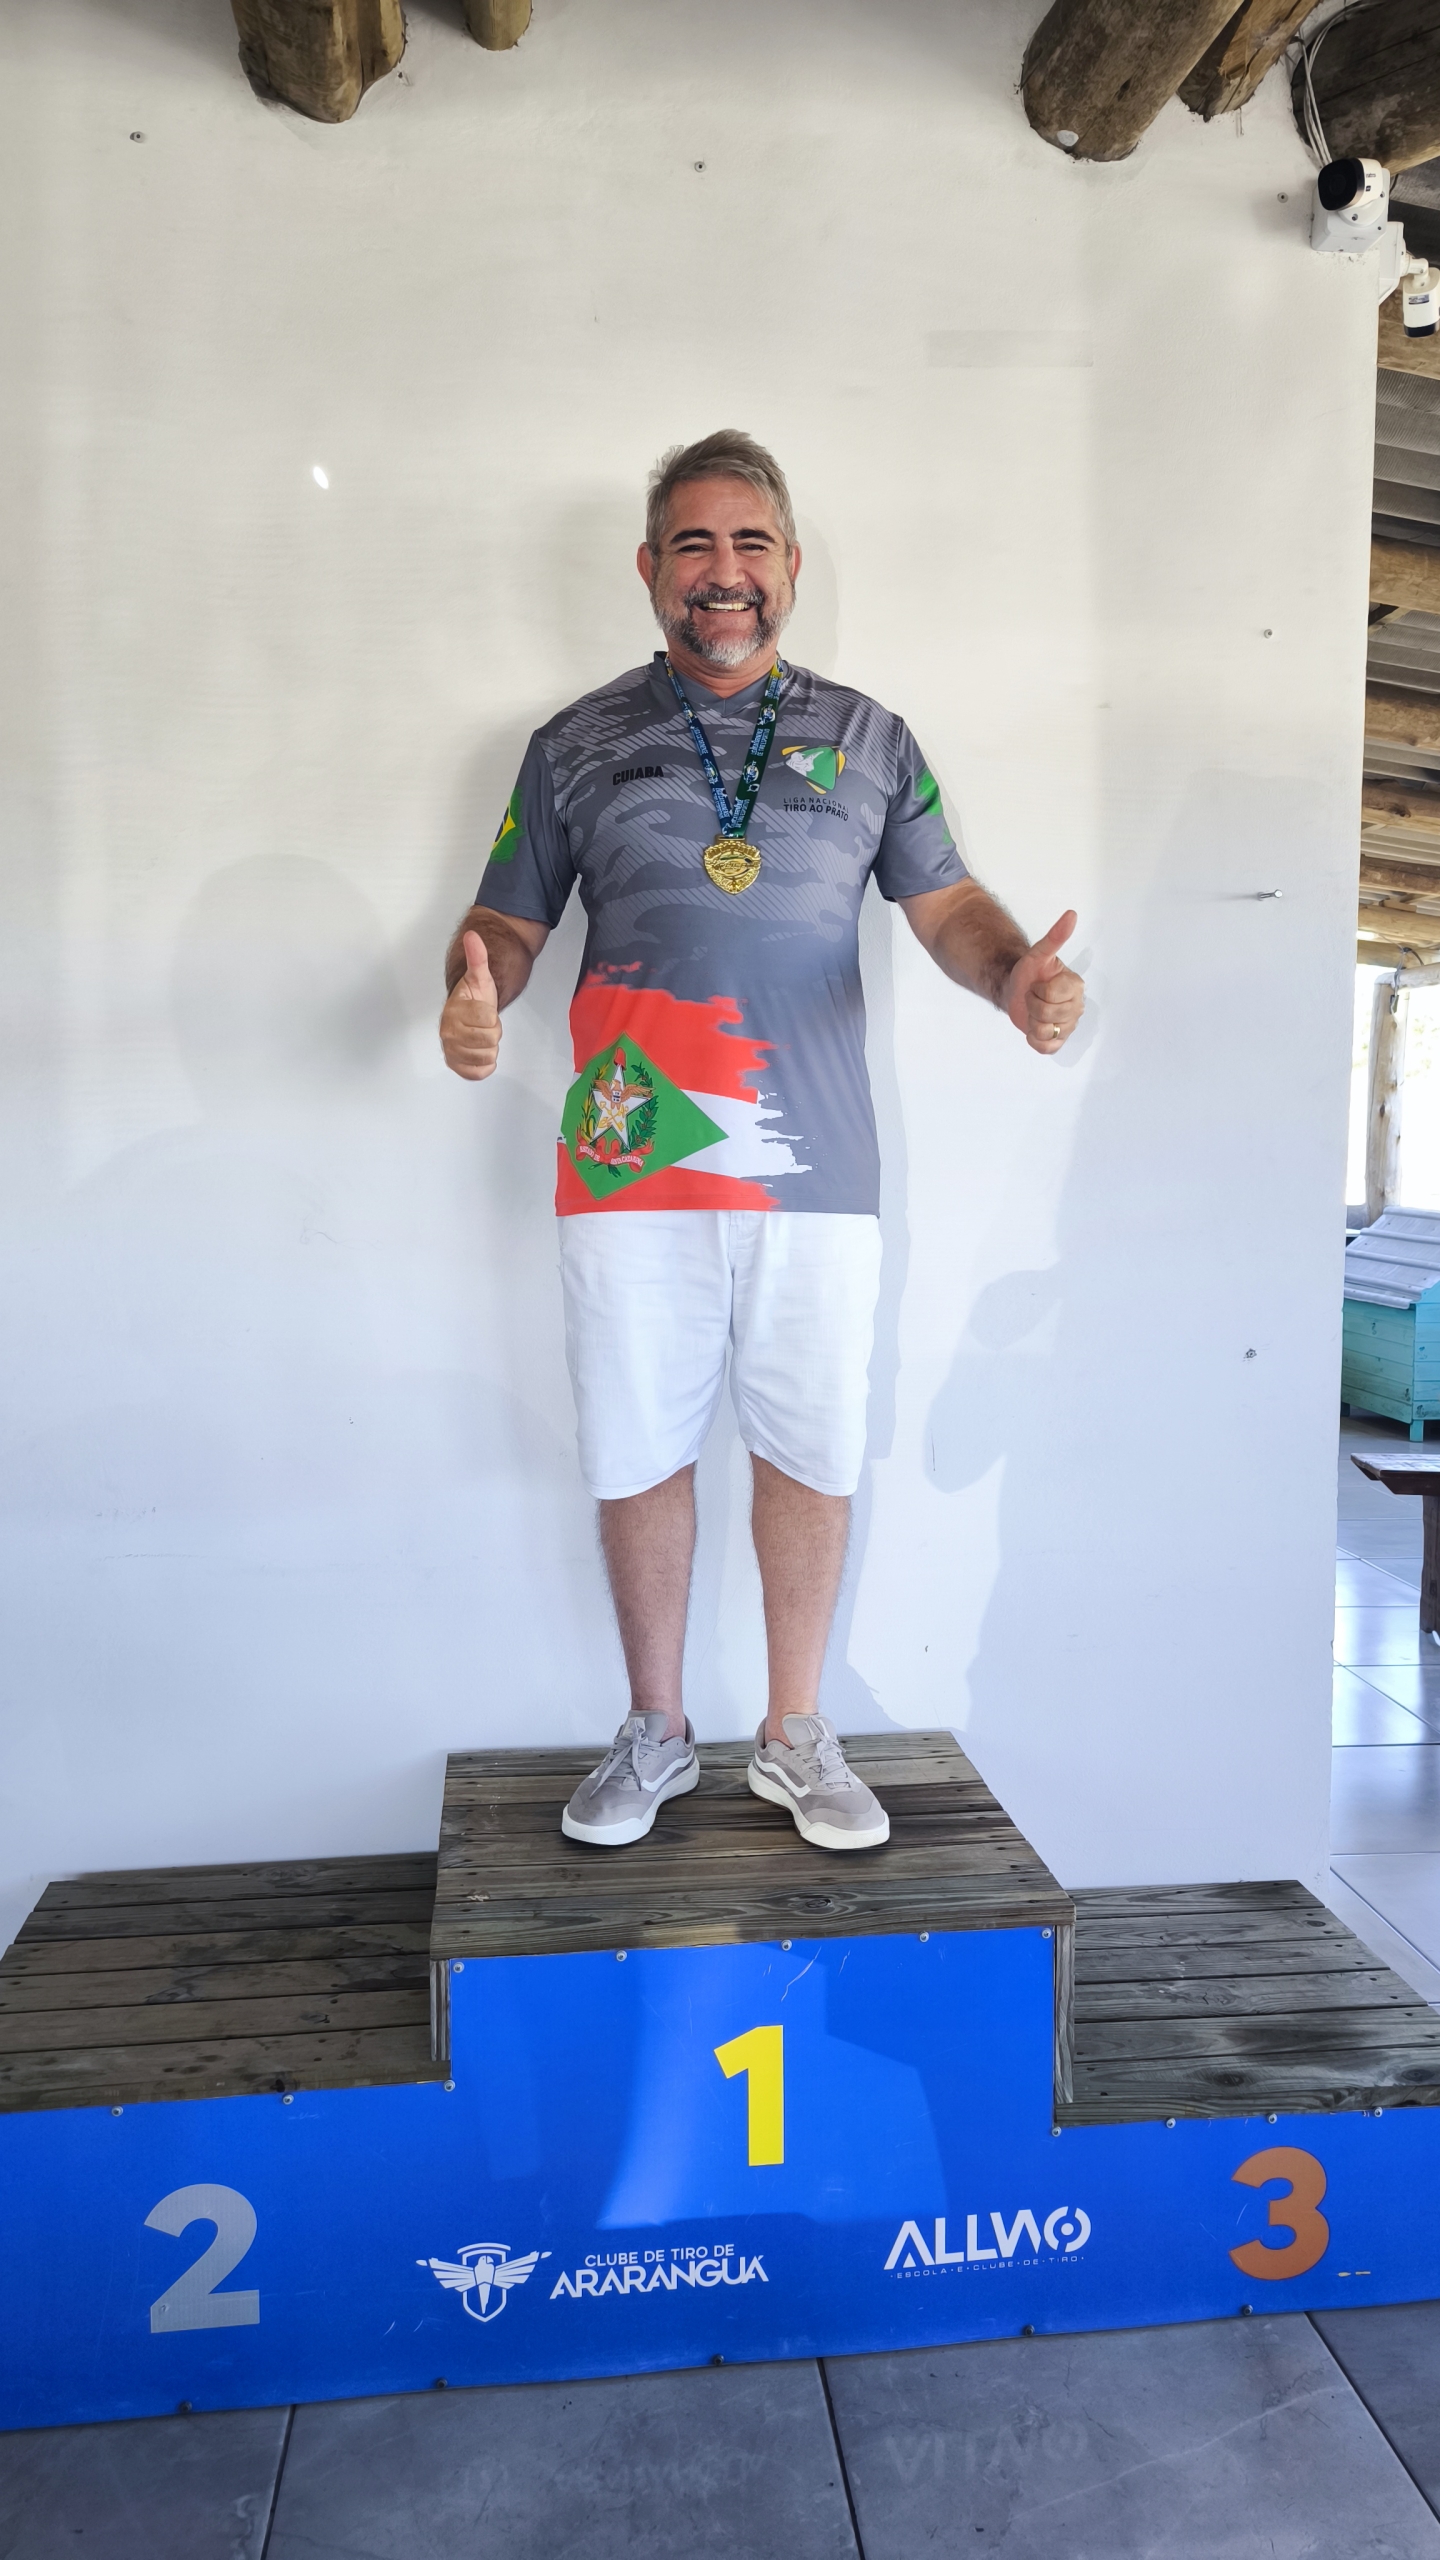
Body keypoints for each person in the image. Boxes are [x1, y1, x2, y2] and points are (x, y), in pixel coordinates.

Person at [440, 430, 1083, 1855]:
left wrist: (1012, 978)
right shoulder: (572, 745)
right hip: (628, 1156)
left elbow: (949, 906)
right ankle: (656, 1729)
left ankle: (795, 1733)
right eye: (693, 544)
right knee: (635, 1445)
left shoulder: (872, 740)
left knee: (810, 1445)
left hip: (815, 1165)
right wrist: (473, 987)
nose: (721, 573)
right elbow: (505, 920)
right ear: (649, 569)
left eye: (748, 545)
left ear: (790, 565)